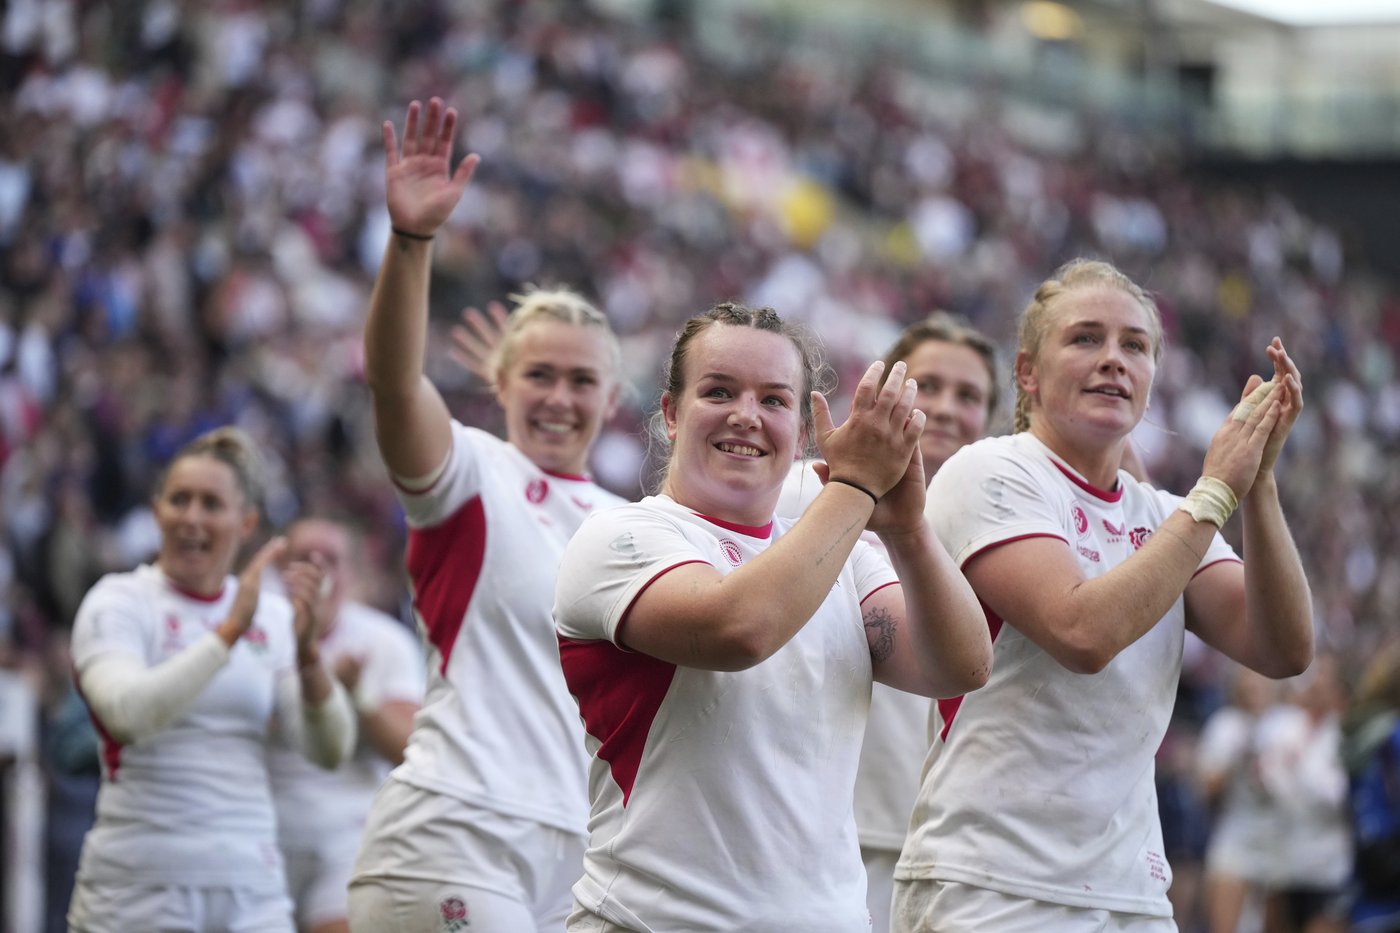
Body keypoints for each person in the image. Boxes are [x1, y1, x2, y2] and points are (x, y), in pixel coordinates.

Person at [893, 258, 1314, 932]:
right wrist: (1214, 495)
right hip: (994, 882)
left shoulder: (1167, 512)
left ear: (1152, 378)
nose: (1113, 360)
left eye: (1134, 346)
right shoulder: (991, 470)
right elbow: (1081, 633)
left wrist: (1257, 484)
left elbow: (1284, 646)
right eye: (1085, 338)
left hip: (1132, 891)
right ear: (1028, 372)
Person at [553, 301, 993, 932]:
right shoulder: (619, 537)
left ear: (804, 430)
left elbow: (963, 665)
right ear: (671, 413)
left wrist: (910, 531)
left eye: (774, 400)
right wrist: (856, 489)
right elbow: (740, 629)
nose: (746, 416)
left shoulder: (847, 556)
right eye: (719, 391)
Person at [347, 98, 627, 933]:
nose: (559, 396)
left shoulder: (634, 525)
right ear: (499, 383)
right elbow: (395, 383)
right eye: (538, 374)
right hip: (455, 828)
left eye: (582, 381)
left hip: (579, 862)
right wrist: (412, 243)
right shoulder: (471, 471)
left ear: (613, 401)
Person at [67, 426, 356, 933]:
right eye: (179, 500)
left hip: (252, 883)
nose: (192, 518)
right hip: (137, 885)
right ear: (157, 510)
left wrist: (309, 657)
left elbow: (330, 750)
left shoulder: (268, 616)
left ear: (247, 523)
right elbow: (126, 715)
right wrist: (226, 635)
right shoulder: (119, 601)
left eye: (211, 504)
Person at [775, 311, 999, 933]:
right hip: (837, 840)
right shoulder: (807, 495)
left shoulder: (1011, 536)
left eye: (970, 395)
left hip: (958, 859)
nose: (949, 408)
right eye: (929, 385)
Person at [267, 517, 425, 933]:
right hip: (262, 837)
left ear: (352, 571)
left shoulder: (383, 640)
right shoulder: (255, 634)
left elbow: (409, 749)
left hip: (349, 835)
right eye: (304, 559)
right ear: (280, 567)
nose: (318, 572)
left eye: (331, 560)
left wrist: (359, 698)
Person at [1196, 667, 1282, 933]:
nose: (1254, 694)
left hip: (1279, 838)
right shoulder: (1225, 725)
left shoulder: (1286, 723)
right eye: (1248, 687)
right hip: (1235, 830)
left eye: (1260, 687)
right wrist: (1235, 760)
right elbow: (1205, 789)